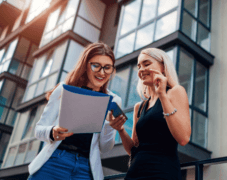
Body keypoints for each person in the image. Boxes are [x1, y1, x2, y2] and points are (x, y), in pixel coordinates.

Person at [28, 42, 125, 180]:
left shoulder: (114, 100)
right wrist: (52, 132)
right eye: (96, 65)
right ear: (86, 65)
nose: (102, 72)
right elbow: (38, 130)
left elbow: (105, 147)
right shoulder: (63, 89)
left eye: (107, 68)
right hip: (54, 162)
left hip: (85, 170)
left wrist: (111, 126)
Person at [109, 48, 191, 179]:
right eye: (139, 66)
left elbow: (183, 138)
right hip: (135, 172)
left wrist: (162, 96)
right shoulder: (139, 107)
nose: (141, 70)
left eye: (146, 64)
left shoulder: (175, 92)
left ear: (163, 67)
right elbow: (133, 149)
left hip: (163, 171)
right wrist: (120, 129)